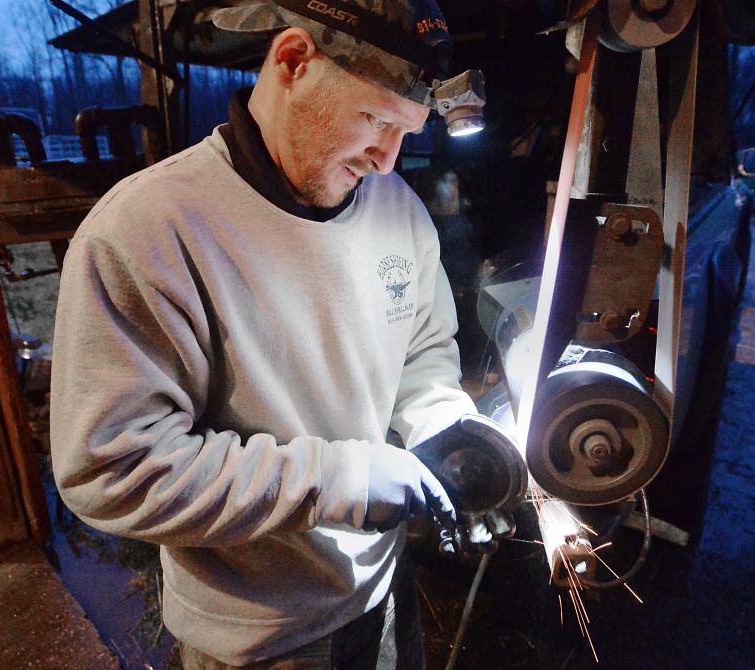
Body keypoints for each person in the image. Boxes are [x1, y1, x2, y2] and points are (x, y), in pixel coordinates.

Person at [50, 1, 509, 668]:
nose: (387, 161)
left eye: (406, 132)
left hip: (383, 591)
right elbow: (111, 469)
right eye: (376, 119)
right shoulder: (148, 232)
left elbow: (422, 358)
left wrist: (443, 427)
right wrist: (340, 480)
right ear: (293, 61)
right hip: (257, 633)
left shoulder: (398, 211)